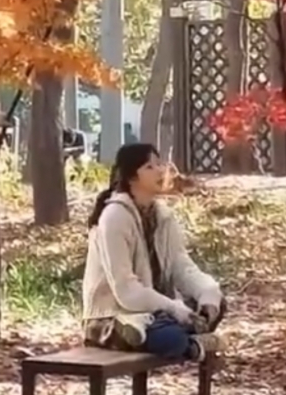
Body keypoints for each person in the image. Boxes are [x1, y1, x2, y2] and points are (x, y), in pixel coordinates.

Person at [82, 143, 224, 361]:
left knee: (216, 304)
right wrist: (173, 308)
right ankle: (189, 343)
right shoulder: (114, 217)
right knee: (170, 338)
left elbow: (181, 267)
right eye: (149, 167)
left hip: (155, 312)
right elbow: (126, 290)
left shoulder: (162, 215)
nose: (160, 171)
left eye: (160, 164)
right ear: (131, 177)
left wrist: (208, 294)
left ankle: (185, 339)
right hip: (115, 314)